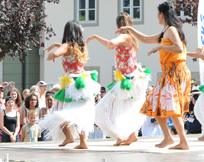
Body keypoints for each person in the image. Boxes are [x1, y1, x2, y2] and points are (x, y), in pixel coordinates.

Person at [117, 2, 190, 150]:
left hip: (175, 73)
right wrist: (130, 29)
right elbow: (145, 39)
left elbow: (178, 48)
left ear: (161, 14)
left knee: (172, 108)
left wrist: (161, 46)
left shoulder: (171, 30)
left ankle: (183, 142)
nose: (157, 16)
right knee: (153, 104)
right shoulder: (165, 31)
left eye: (157, 14)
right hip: (169, 74)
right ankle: (169, 137)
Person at [87, 12, 151, 146]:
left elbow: (111, 43)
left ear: (119, 25)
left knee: (106, 109)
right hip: (127, 79)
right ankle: (126, 136)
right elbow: (109, 43)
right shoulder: (127, 37)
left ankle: (125, 135)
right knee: (121, 108)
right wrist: (96, 37)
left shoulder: (125, 36)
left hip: (129, 80)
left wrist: (110, 42)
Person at [40, 20, 100, 149]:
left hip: (72, 84)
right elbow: (65, 49)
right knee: (80, 113)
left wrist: (52, 54)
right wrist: (57, 45)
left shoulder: (66, 46)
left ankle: (69, 136)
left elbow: (54, 54)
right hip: (83, 82)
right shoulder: (82, 46)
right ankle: (83, 142)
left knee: (58, 110)